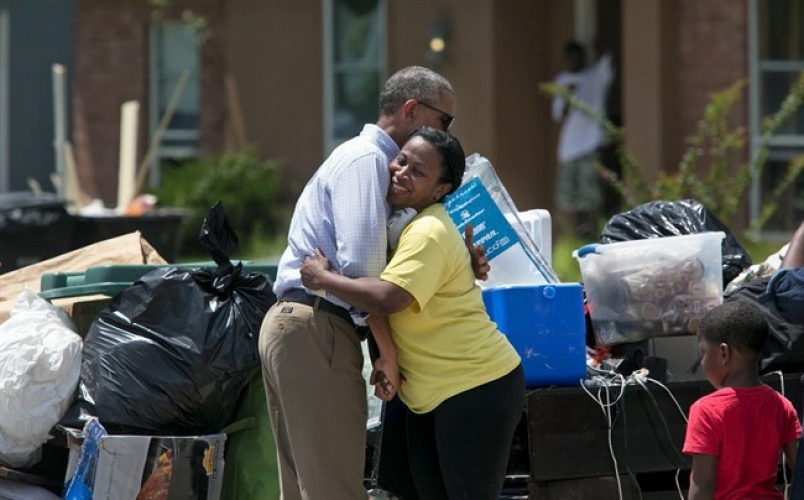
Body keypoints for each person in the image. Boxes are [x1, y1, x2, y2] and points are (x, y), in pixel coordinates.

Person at [259, 66, 488, 500]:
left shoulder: (376, 169)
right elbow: (363, 272)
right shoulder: (367, 161)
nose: (447, 132)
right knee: (335, 489)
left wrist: (462, 260)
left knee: (308, 487)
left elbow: (393, 264)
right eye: (445, 121)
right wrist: (389, 356)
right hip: (316, 327)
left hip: (302, 323)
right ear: (411, 110)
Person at [300, 127, 525, 500]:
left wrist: (322, 278)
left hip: (475, 387)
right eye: (402, 160)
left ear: (440, 191)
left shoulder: (428, 231)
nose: (401, 172)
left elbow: (388, 298)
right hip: (429, 395)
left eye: (417, 171)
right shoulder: (400, 222)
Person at [682, 300, 801, 499]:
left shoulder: (706, 410)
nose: (702, 362)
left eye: (703, 352)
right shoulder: (782, 405)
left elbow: (703, 483)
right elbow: (800, 466)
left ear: (723, 353)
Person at [551, 40, 613, 240]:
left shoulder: (594, 77)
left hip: (590, 146)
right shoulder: (563, 81)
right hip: (569, 149)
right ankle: (570, 239)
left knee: (591, 198)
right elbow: (560, 114)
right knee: (568, 199)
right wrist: (568, 93)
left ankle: (592, 235)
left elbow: (609, 60)